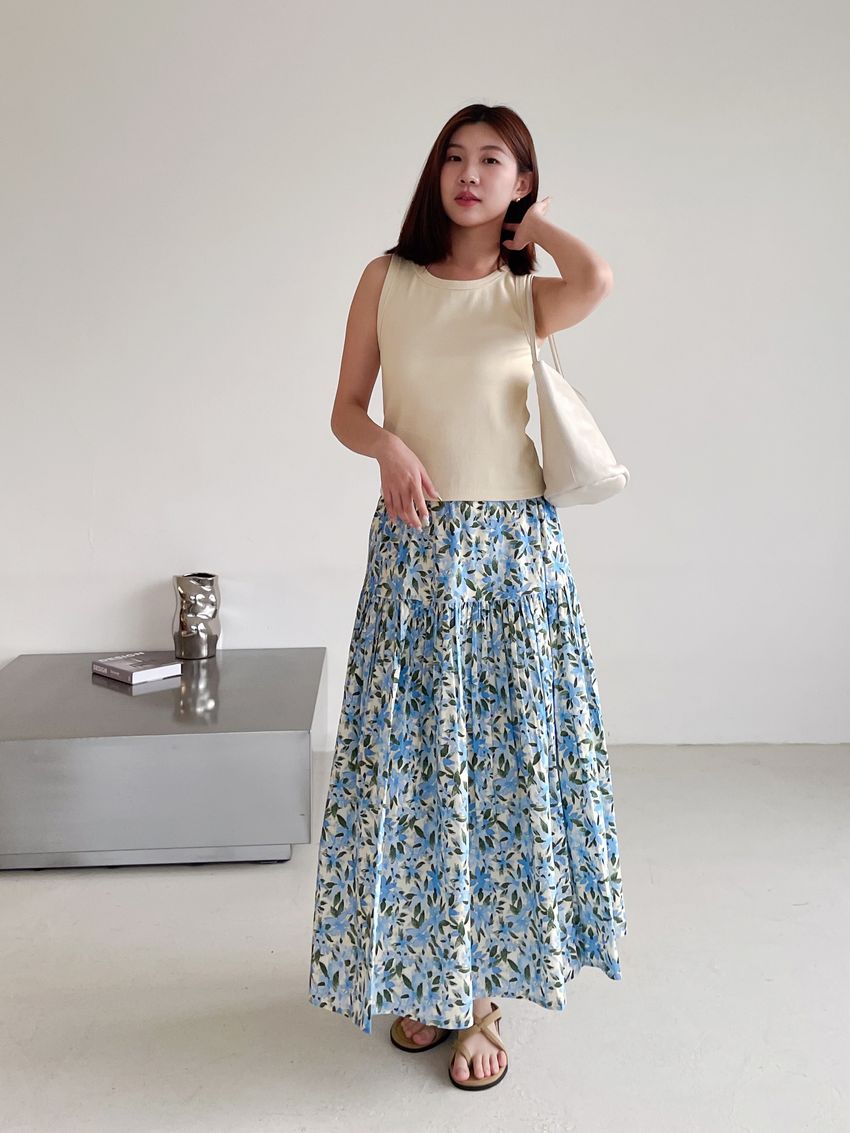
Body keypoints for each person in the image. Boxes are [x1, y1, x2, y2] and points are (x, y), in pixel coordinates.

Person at [308, 103, 627, 1092]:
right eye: (454, 156)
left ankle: (481, 997)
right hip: (416, 554)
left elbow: (597, 279)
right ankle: (429, 977)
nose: (469, 173)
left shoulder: (524, 293)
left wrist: (538, 229)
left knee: (496, 775)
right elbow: (344, 408)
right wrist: (387, 446)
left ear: (520, 183)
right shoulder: (387, 279)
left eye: (493, 161)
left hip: (514, 559)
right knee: (416, 771)